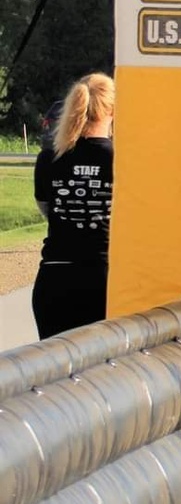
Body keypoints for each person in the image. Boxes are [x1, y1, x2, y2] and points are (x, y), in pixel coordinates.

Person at [32, 72, 115, 341]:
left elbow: (48, 210)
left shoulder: (49, 158)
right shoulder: (121, 159)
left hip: (54, 280)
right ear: (112, 110)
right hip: (102, 280)